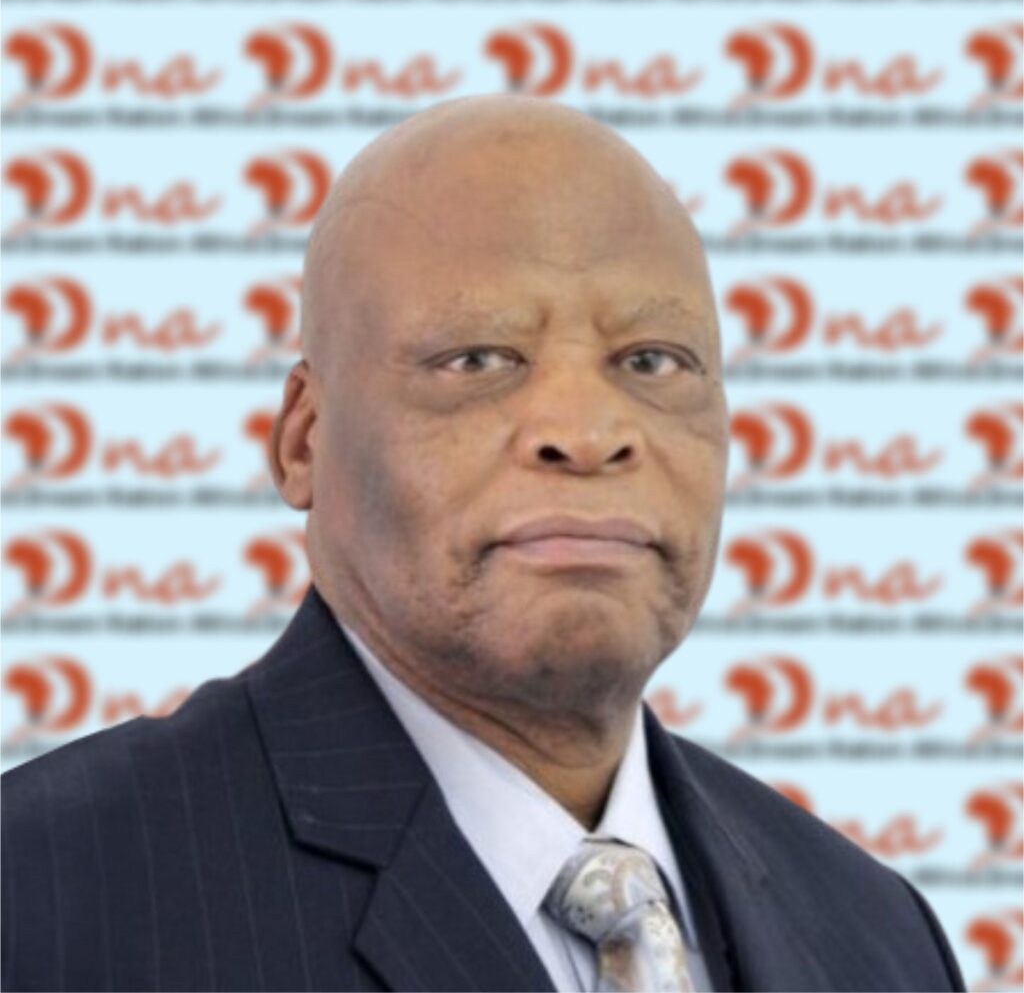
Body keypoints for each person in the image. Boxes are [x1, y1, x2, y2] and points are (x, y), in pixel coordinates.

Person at [2, 96, 964, 993]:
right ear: (303, 442)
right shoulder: (43, 891)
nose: (587, 432)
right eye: (477, 358)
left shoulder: (878, 933)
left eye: (651, 360)